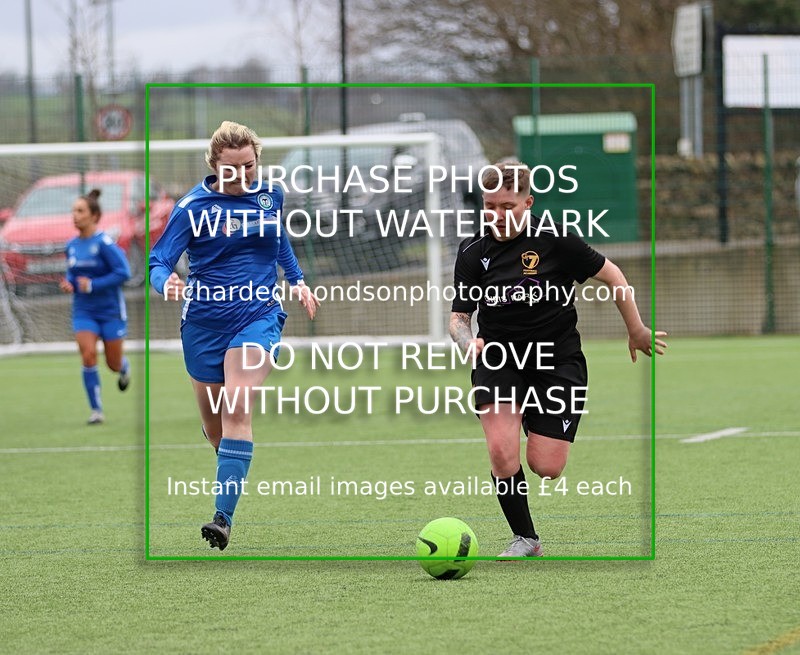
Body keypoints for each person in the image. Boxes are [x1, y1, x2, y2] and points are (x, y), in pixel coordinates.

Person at [449, 161, 667, 558]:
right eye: (489, 206)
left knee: (546, 466)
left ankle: (532, 417)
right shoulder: (472, 250)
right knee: (501, 450)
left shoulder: (556, 240)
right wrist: (466, 341)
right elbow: (459, 317)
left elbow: (614, 276)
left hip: (557, 360)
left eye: (507, 206)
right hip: (499, 358)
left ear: (528, 203)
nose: (497, 215)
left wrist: (636, 329)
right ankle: (526, 538)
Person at [149, 120, 320, 551]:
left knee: (238, 404)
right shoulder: (192, 207)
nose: (242, 176)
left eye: (249, 166)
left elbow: (278, 239)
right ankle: (229, 460)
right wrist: (165, 282)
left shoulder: (270, 196)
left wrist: (297, 280)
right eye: (232, 169)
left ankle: (222, 518)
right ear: (214, 165)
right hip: (203, 326)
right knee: (216, 429)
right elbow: (158, 260)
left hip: (258, 315)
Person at [60, 188, 132, 425]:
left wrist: (93, 285)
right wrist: (69, 283)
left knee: (112, 364)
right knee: (88, 355)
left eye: (80, 211)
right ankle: (96, 410)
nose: (75, 215)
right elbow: (73, 274)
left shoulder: (104, 243)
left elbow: (123, 272)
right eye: (74, 211)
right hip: (84, 311)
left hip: (111, 312)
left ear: (94, 216)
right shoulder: (71, 245)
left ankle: (123, 366)